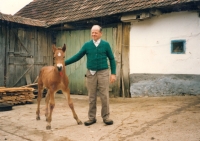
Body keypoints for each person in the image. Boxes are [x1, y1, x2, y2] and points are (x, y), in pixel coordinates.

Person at [65, 25, 116, 126]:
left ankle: (106, 117)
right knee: (91, 96)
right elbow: (77, 56)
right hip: (91, 73)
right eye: (92, 32)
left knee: (104, 96)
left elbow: (112, 59)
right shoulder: (87, 45)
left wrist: (113, 73)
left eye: (96, 32)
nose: (93, 34)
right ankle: (92, 118)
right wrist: (64, 63)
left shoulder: (106, 44)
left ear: (101, 33)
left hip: (103, 72)